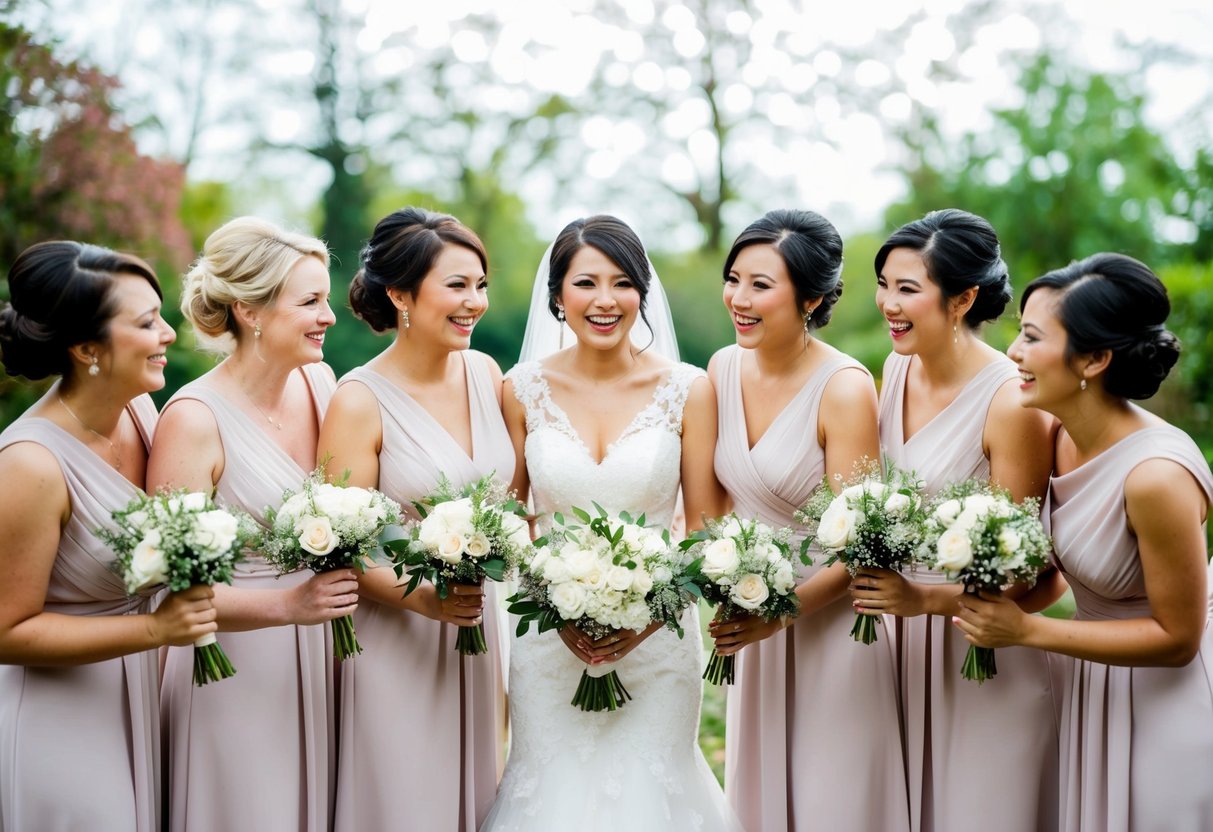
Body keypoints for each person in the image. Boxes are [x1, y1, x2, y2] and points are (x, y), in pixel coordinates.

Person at [482, 214, 736, 831]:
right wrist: (555, 609)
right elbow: (511, 527)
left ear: (642, 293)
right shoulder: (520, 390)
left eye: (623, 283)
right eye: (586, 283)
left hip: (658, 645)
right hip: (549, 644)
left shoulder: (689, 389)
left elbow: (704, 534)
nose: (605, 300)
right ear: (557, 296)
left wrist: (646, 620)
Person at [954, 253, 1213, 832]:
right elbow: (1051, 571)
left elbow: (1179, 637)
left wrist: (1027, 632)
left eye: (1032, 337)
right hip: (1092, 686)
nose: (1013, 353)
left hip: (1164, 700)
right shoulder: (1059, 437)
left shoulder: (1156, 477)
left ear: (1094, 360)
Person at [849, 209, 1059, 831]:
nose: (888, 303)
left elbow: (1023, 570)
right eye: (883, 284)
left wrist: (922, 599)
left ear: (963, 298)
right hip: (897, 646)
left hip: (979, 649)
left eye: (907, 289)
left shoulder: (1012, 402)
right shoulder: (897, 368)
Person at [0, 241, 216, 830]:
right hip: (61, 720)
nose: (168, 333)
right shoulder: (30, 464)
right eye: (146, 323)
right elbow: (6, 631)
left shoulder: (141, 413)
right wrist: (155, 629)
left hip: (138, 695)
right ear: (87, 348)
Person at [147, 217, 354, 831]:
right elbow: (168, 585)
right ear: (249, 310)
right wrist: (289, 605)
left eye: (325, 300)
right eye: (310, 302)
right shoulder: (192, 419)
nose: (328, 316)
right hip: (232, 668)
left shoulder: (320, 383)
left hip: (320, 657)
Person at [706, 209, 908, 831]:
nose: (739, 299)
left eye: (761, 285)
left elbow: (864, 543)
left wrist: (780, 613)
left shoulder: (843, 387)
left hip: (832, 628)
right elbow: (712, 511)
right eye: (734, 279)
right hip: (753, 621)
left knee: (835, 805)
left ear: (812, 299)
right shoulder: (721, 368)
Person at [318, 207, 510, 832]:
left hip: (478, 627)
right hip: (399, 634)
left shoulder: (485, 373)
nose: (474, 302)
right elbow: (340, 548)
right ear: (400, 294)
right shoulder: (358, 400)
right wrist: (427, 600)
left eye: (480, 284)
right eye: (456, 285)